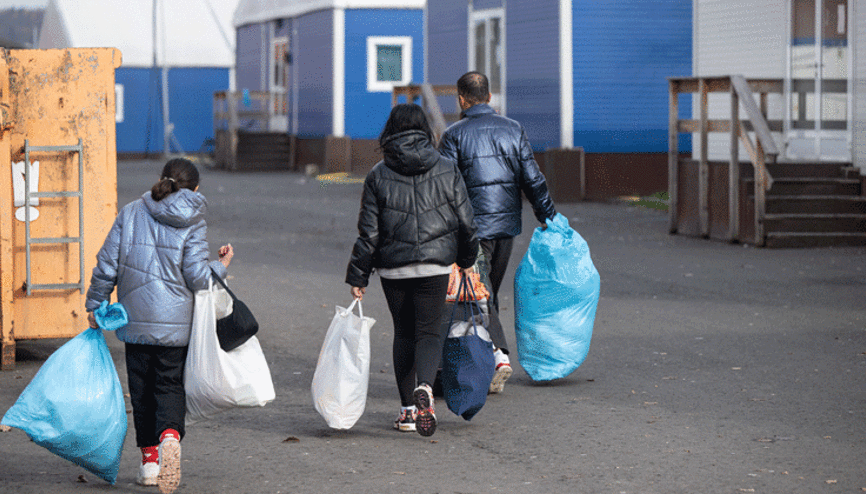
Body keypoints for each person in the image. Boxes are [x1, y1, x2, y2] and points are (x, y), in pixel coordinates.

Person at [85, 158, 233, 494]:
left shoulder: (131, 212)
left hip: (135, 322)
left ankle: (150, 463)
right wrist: (220, 266)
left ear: (160, 179)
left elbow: (106, 264)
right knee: (169, 385)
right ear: (195, 189)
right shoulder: (194, 222)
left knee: (140, 393)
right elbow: (197, 278)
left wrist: (95, 305)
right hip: (176, 327)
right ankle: (170, 436)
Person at [346, 104, 478, 437]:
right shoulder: (447, 168)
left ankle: (407, 412)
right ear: (424, 130)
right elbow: (467, 223)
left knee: (403, 334)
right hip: (436, 265)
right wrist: (466, 260)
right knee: (429, 333)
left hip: (394, 269)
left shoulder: (378, 173)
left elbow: (369, 232)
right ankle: (426, 389)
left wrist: (358, 276)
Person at [439, 71, 557, 394]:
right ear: (490, 97)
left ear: (462, 100)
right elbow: (532, 178)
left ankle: (498, 355)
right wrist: (548, 216)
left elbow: (445, 186)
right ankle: (489, 357)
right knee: (487, 291)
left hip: (471, 229)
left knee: (481, 293)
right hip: (506, 228)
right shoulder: (514, 130)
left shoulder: (453, 135)